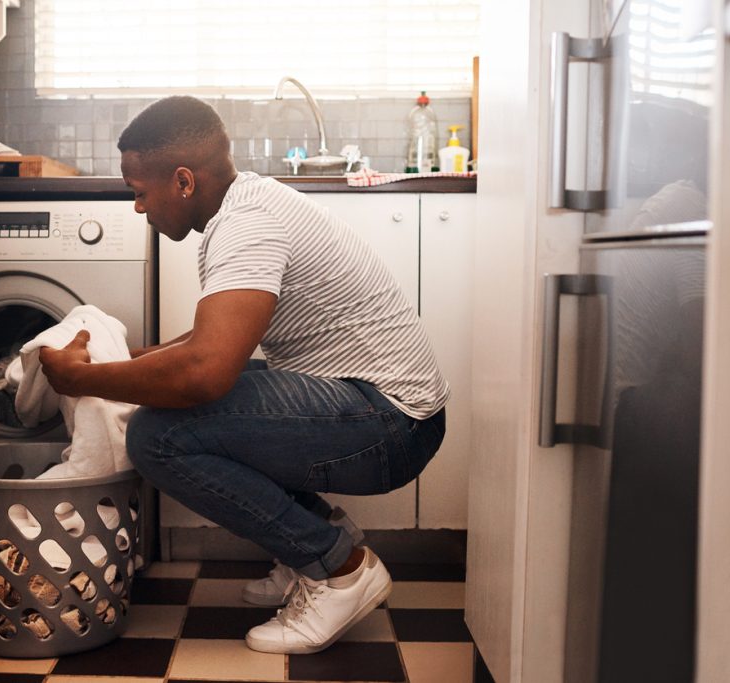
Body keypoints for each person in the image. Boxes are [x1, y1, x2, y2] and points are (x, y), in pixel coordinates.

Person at [38, 95, 449, 654]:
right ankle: (313, 548)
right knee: (206, 402)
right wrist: (124, 360)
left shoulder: (247, 225)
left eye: (139, 193)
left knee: (159, 435)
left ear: (183, 181)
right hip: (383, 409)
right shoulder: (246, 205)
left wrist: (82, 380)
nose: (137, 208)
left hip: (392, 424)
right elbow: (208, 340)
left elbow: (205, 372)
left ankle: (341, 568)